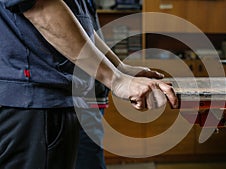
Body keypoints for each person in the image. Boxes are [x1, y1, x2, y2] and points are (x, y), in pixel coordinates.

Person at [0, 0, 178, 169]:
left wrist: (119, 69)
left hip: (59, 97)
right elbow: (41, 8)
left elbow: (79, 27)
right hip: (35, 101)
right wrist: (115, 79)